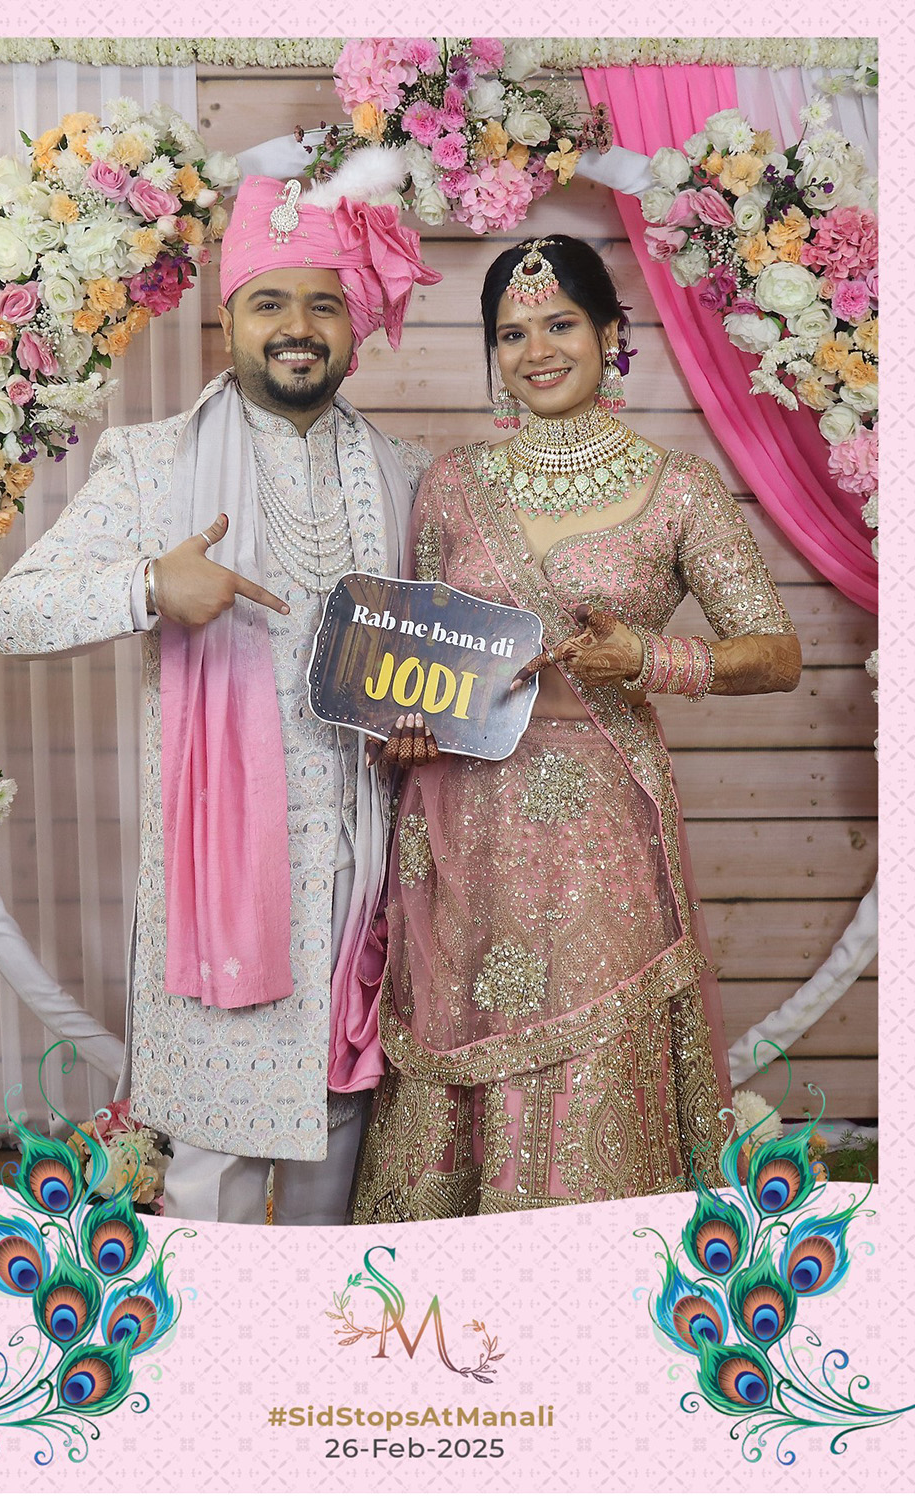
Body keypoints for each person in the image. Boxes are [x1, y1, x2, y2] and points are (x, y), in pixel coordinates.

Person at [0, 154, 441, 1226]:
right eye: (269, 302)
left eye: (323, 304)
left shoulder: (406, 472)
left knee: (338, 1157)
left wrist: (425, 717)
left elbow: (430, 657)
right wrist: (151, 585)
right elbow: (17, 610)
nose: (298, 327)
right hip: (223, 883)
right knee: (213, 1178)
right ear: (228, 319)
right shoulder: (154, 465)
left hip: (366, 871)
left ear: (352, 325)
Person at [351, 234, 802, 1222]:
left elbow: (774, 653)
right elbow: (417, 657)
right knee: (452, 1051)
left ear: (608, 333)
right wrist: (404, 725)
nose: (537, 350)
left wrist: (650, 660)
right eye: (512, 334)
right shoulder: (453, 485)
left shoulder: (676, 487)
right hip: (457, 825)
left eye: (560, 324)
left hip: (598, 827)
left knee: (590, 1057)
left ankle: (583, 1288)